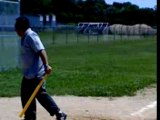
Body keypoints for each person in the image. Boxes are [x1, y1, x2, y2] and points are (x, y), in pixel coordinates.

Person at [15, 16, 67, 120]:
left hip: (36, 74)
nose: (16, 31)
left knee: (41, 96)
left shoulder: (31, 36)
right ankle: (30, 117)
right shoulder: (25, 37)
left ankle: (59, 113)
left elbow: (41, 50)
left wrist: (46, 65)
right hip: (28, 74)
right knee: (26, 97)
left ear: (21, 27)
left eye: (16, 28)